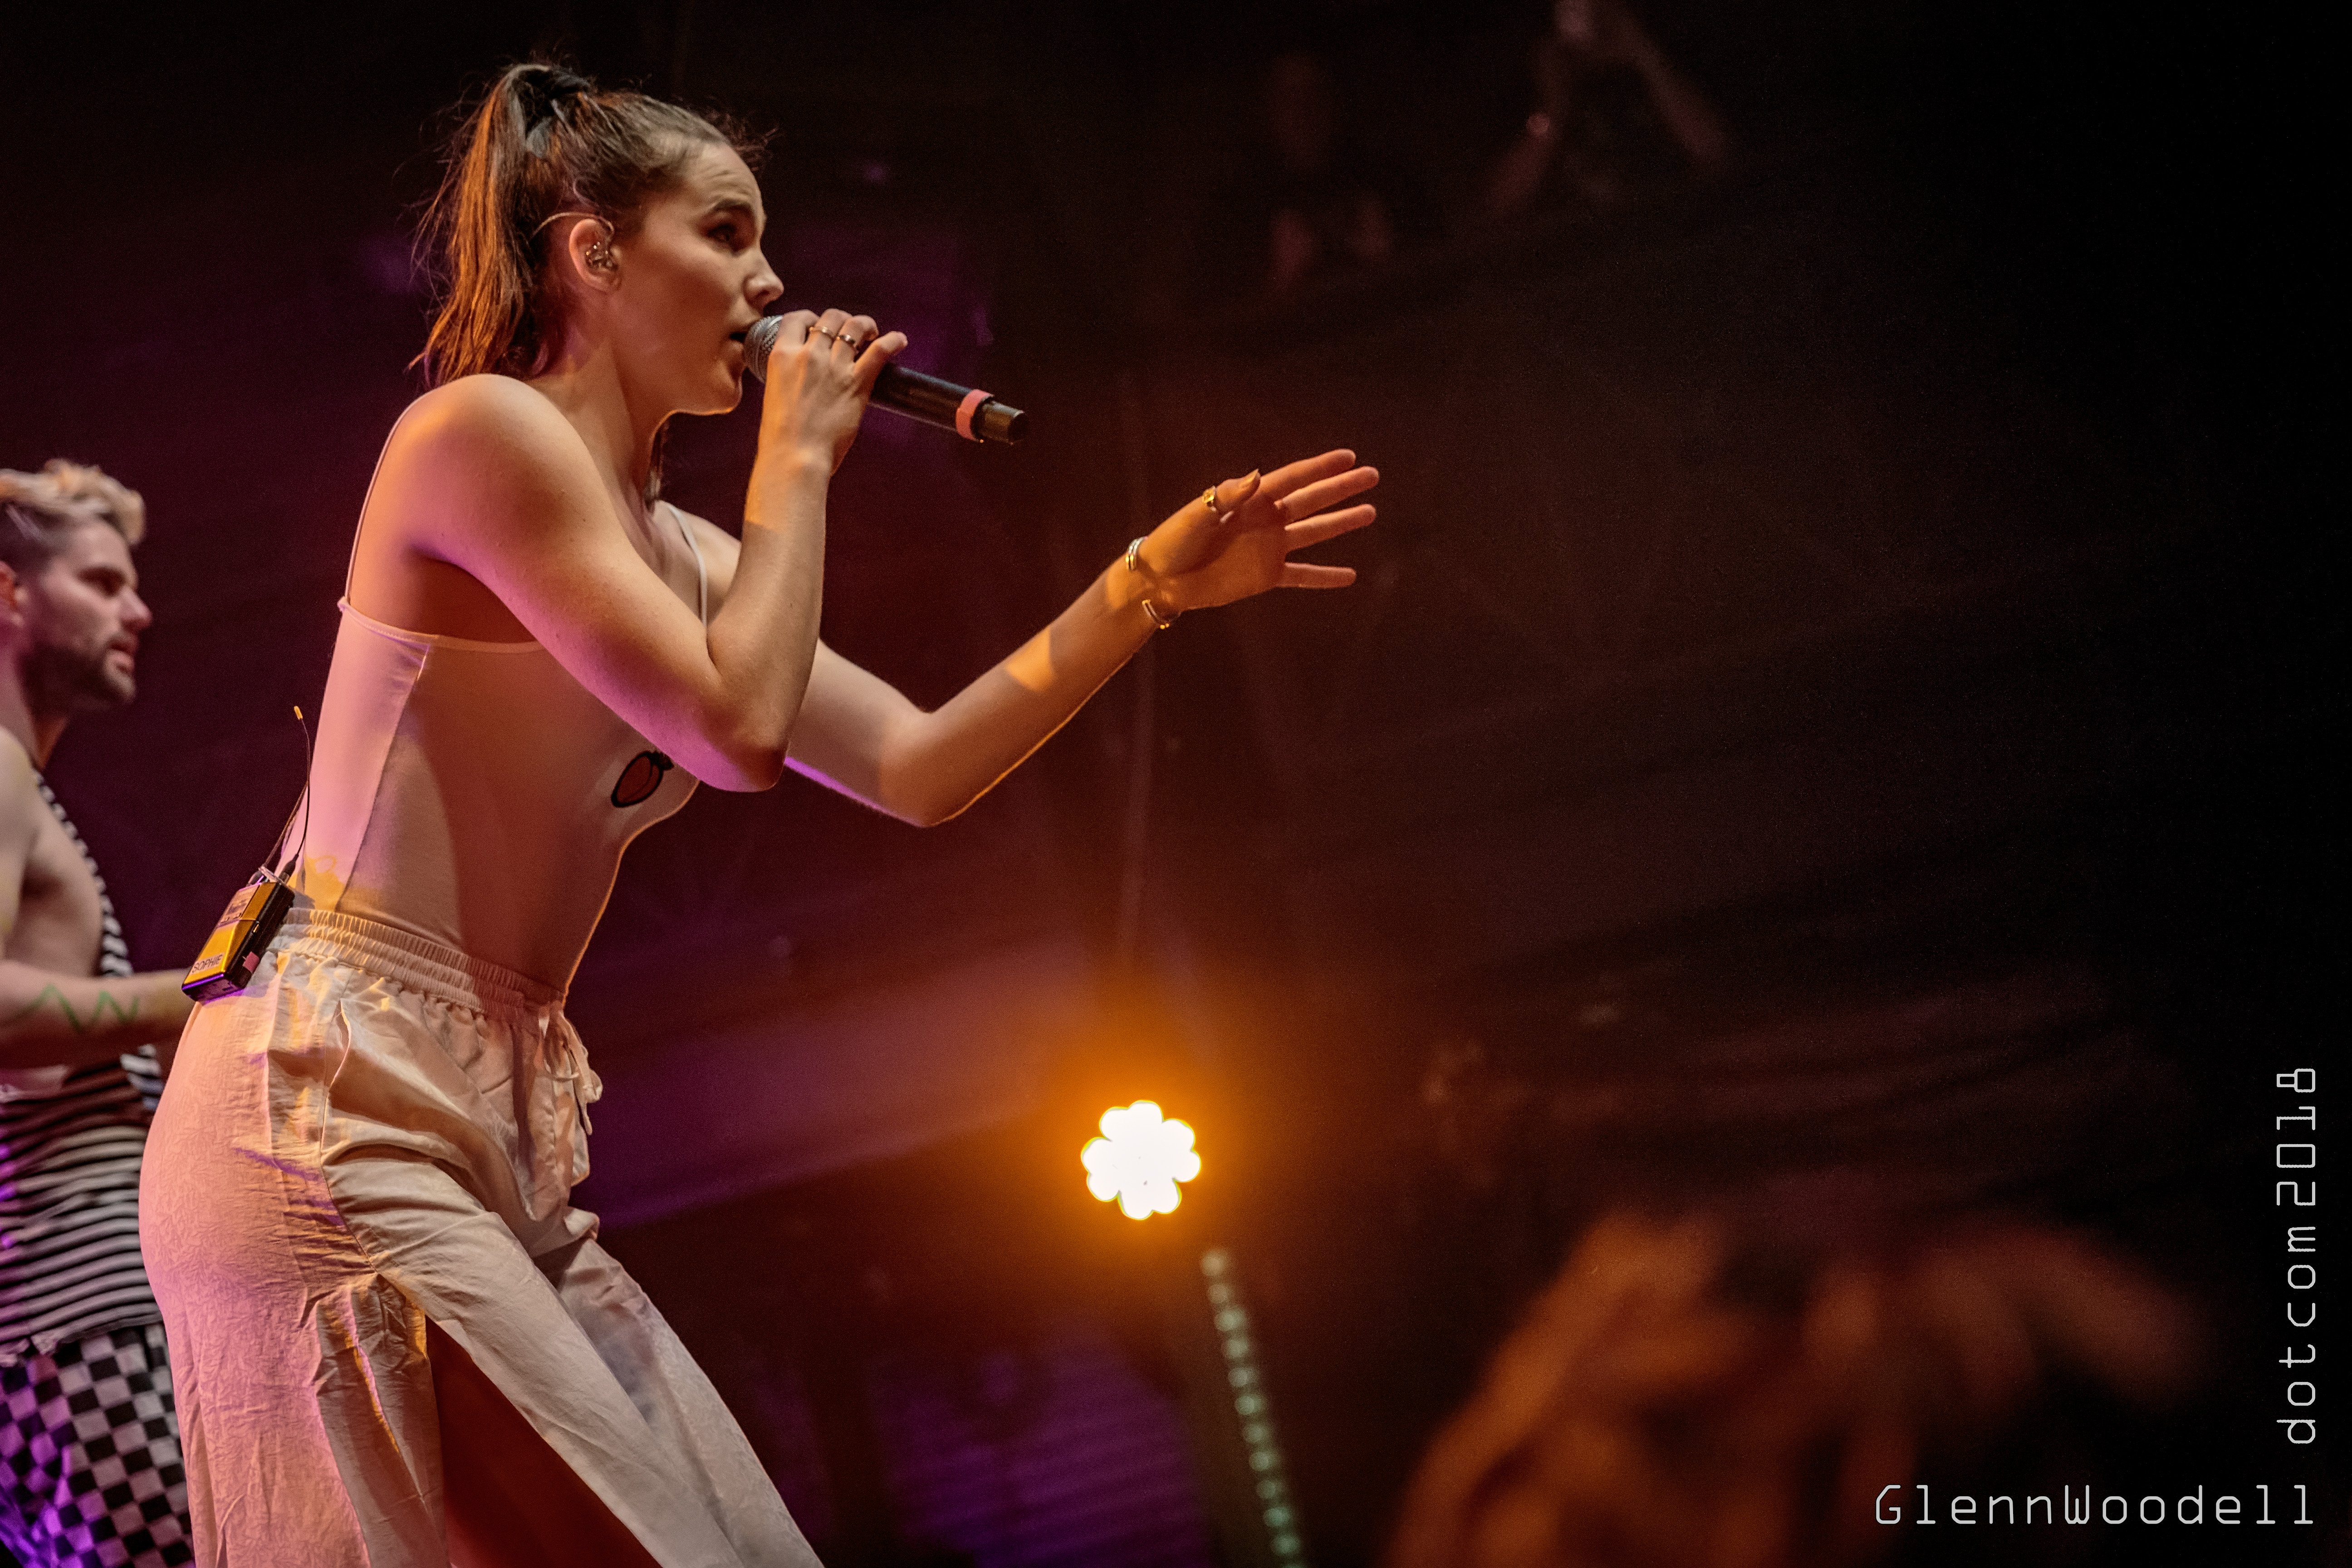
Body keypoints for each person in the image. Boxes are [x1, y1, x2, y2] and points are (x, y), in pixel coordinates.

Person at [137, 61, 1378, 1568]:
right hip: (326, 1095)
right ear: (594, 254)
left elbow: (915, 765)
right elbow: (737, 733)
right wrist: (798, 458)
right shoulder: (478, 436)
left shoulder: (680, 550)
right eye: (726, 232)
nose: (772, 279)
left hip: (481, 1113)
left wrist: (1142, 591)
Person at [0, 462, 194, 1568]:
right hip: (79, 1326)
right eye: (103, 582)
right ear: (9, 593)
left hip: (70, 1325)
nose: (140, 611)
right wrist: (204, 995)